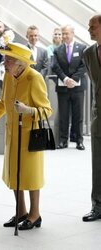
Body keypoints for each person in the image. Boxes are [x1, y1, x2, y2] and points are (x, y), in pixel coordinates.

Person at [0, 43, 52, 230]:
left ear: (21, 63)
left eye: (9, 60)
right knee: (14, 174)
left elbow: (47, 110)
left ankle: (35, 214)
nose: (4, 63)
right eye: (5, 59)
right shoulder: (8, 76)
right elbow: (2, 104)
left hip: (30, 136)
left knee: (31, 176)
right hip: (12, 135)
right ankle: (21, 211)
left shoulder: (34, 78)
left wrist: (27, 110)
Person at [52, 24, 87, 150]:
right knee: (63, 115)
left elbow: (84, 66)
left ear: (73, 34)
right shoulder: (57, 49)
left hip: (77, 87)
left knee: (78, 115)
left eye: (67, 33)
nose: (64, 36)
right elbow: (55, 66)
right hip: (63, 87)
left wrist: (74, 79)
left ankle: (79, 141)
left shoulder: (82, 48)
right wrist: (65, 79)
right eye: (63, 33)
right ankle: (63, 141)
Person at [82, 14, 101, 222]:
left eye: (93, 26)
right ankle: (97, 205)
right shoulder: (88, 53)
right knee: (98, 163)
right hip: (98, 117)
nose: (89, 29)